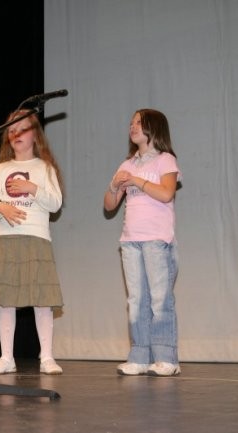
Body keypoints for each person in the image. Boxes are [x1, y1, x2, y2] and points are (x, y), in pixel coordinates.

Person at [0, 109, 64, 375]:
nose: (15, 133)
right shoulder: (2, 168)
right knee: (6, 298)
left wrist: (32, 189)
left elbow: (56, 203)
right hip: (5, 239)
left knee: (42, 297)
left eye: (22, 128)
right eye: (11, 129)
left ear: (35, 134)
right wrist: (1, 208)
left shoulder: (44, 168)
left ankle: (47, 357)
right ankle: (7, 357)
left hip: (36, 238)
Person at [103, 108, 182, 377]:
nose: (132, 126)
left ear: (153, 127)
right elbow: (109, 206)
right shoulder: (126, 164)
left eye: (138, 122)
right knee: (136, 300)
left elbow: (167, 193)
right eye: (131, 122)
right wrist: (115, 186)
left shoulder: (165, 160)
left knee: (160, 300)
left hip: (157, 240)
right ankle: (139, 355)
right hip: (130, 241)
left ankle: (166, 357)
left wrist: (136, 180)